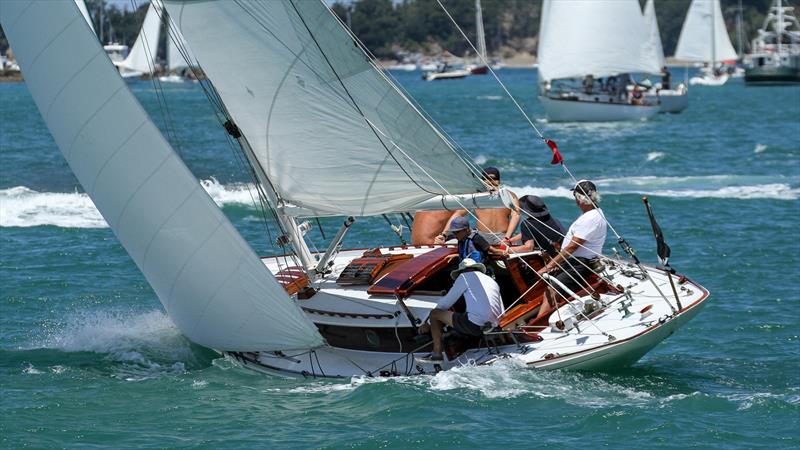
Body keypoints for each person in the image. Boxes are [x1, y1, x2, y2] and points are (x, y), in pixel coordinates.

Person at [535, 180, 607, 320]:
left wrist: (549, 266)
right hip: (576, 262)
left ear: (579, 199)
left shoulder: (590, 218)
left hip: (579, 264)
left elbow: (573, 246)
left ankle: (537, 324)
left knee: (552, 290)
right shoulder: (595, 213)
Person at [417, 258, 503, 362]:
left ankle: (437, 354)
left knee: (434, 314)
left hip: (475, 325)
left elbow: (445, 303)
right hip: (493, 324)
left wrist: (428, 323)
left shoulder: (464, 277)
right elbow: (501, 310)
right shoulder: (490, 280)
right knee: (465, 315)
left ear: (462, 271)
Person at [438, 167, 520, 246]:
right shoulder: (475, 196)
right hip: (481, 236)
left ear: (499, 181)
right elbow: (458, 215)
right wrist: (444, 234)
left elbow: (516, 215)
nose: (489, 182)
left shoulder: (509, 195)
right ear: (481, 181)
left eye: (493, 179)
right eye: (486, 179)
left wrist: (507, 237)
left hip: (502, 236)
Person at [499, 195, 566, 257]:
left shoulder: (527, 224)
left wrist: (507, 250)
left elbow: (529, 247)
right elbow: (529, 233)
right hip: (563, 253)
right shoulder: (550, 219)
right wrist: (510, 241)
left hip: (551, 258)